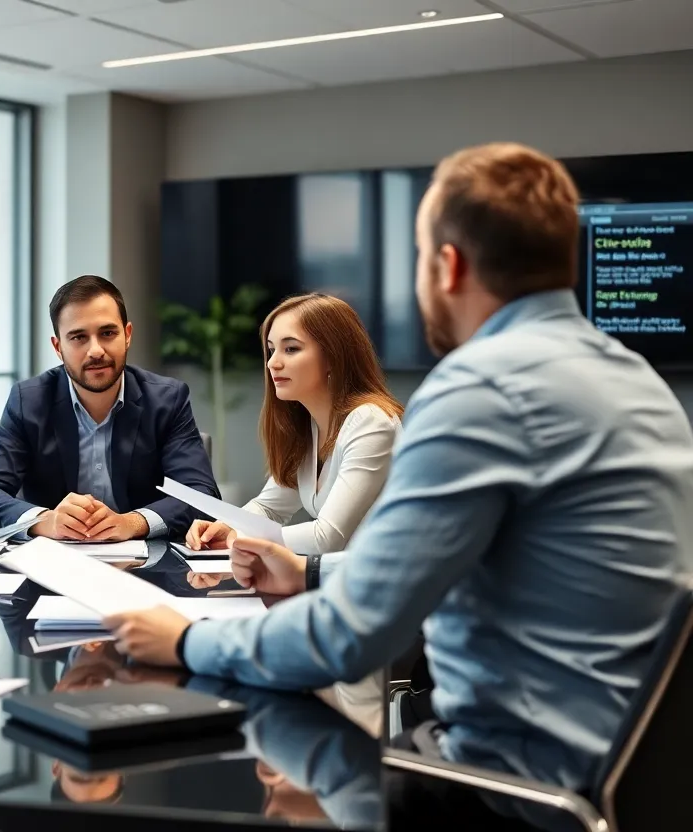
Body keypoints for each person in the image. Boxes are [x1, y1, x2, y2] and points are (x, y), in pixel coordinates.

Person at [103, 143, 693, 827]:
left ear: (448, 265)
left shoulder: (480, 388)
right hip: (640, 778)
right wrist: (314, 575)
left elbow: (351, 638)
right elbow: (495, 558)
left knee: (271, 773)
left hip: (515, 789)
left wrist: (180, 639)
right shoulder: (639, 383)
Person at [0, 275, 219, 541]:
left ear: (127, 335)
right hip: (51, 567)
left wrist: (133, 522)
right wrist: (45, 520)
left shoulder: (167, 399)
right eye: (78, 337)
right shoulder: (28, 401)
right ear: (58, 347)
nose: (96, 350)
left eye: (107, 333)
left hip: (147, 567)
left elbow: (202, 495)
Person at [185, 294, 402, 566]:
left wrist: (240, 539)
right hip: (344, 580)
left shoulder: (371, 422)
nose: (272, 363)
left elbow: (327, 538)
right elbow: (269, 508)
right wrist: (228, 526)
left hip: (388, 586)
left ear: (334, 356)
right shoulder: (307, 425)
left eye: (291, 349)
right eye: (271, 349)